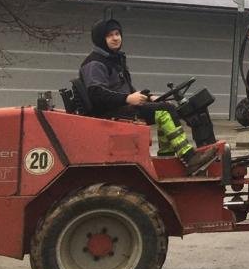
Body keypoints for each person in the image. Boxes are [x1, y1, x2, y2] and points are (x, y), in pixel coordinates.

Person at [79, 19, 219, 176]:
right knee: (165, 111)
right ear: (100, 39)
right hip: (109, 112)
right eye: (110, 35)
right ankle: (190, 158)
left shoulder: (114, 59)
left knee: (162, 107)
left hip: (120, 106)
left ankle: (167, 159)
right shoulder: (95, 63)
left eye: (117, 34)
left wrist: (149, 97)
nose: (115, 38)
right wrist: (127, 99)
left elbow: (127, 89)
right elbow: (96, 94)